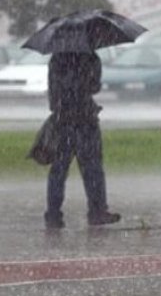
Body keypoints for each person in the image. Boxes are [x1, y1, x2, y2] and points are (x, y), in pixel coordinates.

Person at [45, 52, 121, 229]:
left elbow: (53, 89)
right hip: (85, 119)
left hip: (62, 119)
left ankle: (53, 215)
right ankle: (97, 211)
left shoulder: (57, 58)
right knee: (92, 168)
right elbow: (94, 87)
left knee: (58, 169)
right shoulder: (91, 57)